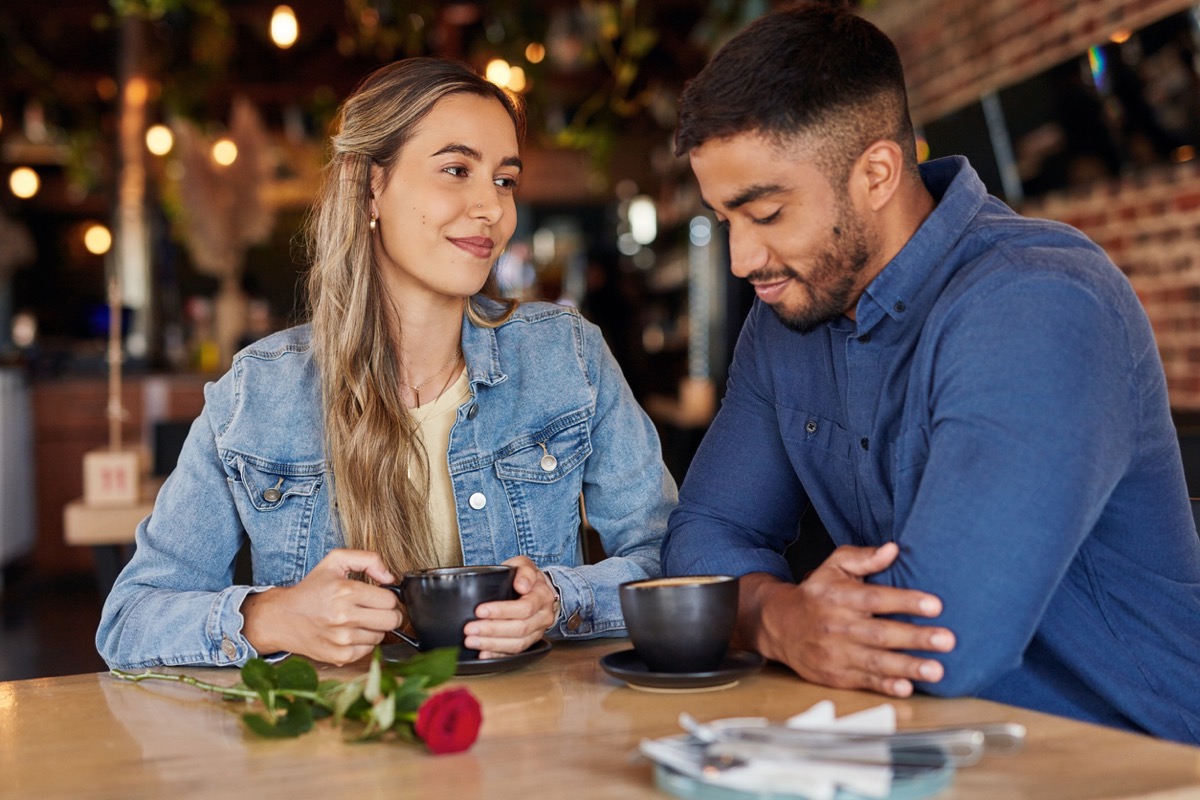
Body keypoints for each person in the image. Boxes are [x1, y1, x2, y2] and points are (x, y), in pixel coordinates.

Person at [662, 1, 1200, 745]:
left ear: (877, 173)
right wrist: (776, 619)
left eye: (769, 213)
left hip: (1130, 764)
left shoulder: (1038, 301)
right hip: (925, 752)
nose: (741, 260)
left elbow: (941, 641)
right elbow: (703, 532)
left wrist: (751, 611)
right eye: (728, 220)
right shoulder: (789, 314)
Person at [98, 57, 676, 670]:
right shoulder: (257, 392)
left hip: (527, 742)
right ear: (371, 186)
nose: (491, 209)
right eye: (457, 170)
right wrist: (273, 616)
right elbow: (130, 619)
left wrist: (561, 599)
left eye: (505, 180)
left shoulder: (567, 357)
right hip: (340, 749)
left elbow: (670, 560)